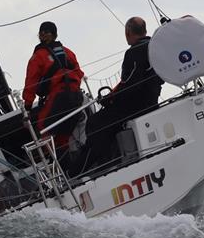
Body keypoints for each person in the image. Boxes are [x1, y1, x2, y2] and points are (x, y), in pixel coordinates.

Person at [84, 16, 164, 170]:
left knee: (94, 123)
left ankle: (99, 165)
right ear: (145, 30)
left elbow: (129, 85)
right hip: (151, 101)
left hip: (134, 105)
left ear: (128, 32)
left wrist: (110, 99)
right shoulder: (154, 47)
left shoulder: (134, 52)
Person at [22, 21, 85, 149]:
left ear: (41, 35)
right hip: (77, 96)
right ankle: (67, 163)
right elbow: (79, 73)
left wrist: (27, 108)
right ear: (55, 35)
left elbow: (31, 82)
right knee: (64, 132)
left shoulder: (38, 56)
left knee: (43, 127)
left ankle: (53, 162)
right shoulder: (68, 52)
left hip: (59, 95)